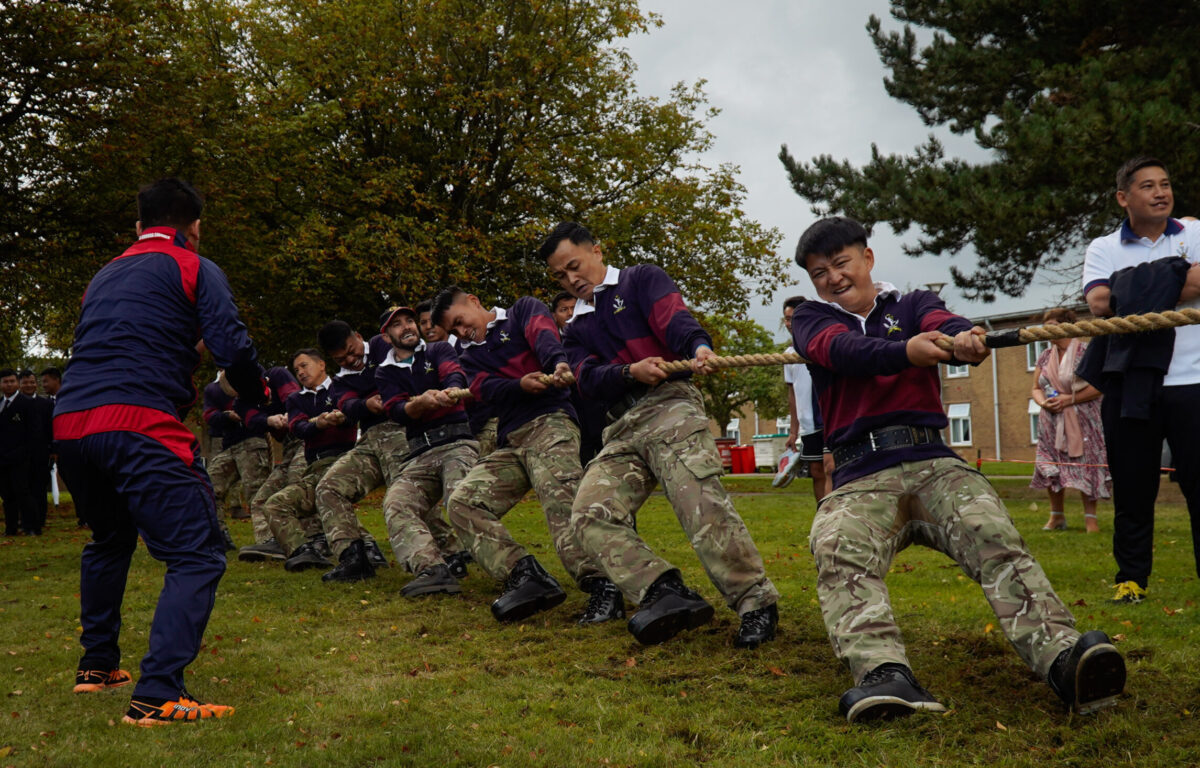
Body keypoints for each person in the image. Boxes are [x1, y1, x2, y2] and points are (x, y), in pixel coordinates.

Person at [791, 215, 1125, 723]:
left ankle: (1063, 661)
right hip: (860, 475)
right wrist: (907, 351)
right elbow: (841, 351)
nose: (833, 277)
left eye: (841, 263)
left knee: (991, 531)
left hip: (934, 463)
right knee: (836, 543)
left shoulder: (912, 304)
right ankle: (884, 675)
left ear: (868, 258)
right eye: (820, 272)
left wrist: (965, 337)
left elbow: (944, 322)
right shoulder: (811, 318)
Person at [53, 177, 264, 725]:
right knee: (198, 553)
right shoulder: (194, 265)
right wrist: (259, 394)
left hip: (71, 423)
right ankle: (158, 693)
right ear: (194, 227)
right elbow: (232, 347)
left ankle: (96, 666)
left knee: (109, 539)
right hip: (139, 420)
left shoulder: (104, 275)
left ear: (138, 225)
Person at [542, 222, 780, 648]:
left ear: (597, 250)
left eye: (574, 266)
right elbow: (588, 379)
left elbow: (675, 320)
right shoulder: (574, 327)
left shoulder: (640, 280)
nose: (571, 279)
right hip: (620, 426)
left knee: (700, 504)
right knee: (588, 513)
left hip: (670, 403)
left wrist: (698, 347)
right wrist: (628, 372)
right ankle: (663, 589)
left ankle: (755, 601)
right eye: (560, 276)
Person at [433, 286, 623, 625]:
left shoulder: (521, 312)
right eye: (453, 330)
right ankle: (525, 574)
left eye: (460, 321)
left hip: (551, 423)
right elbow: (483, 389)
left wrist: (558, 364)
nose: (461, 332)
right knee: (462, 502)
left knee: (562, 504)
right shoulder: (466, 355)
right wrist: (518, 385)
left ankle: (604, 586)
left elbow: (544, 337)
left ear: (474, 301)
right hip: (511, 440)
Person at [1081, 156, 1200, 604]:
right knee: (1132, 488)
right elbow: (1099, 303)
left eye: (1165, 184)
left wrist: (1129, 286)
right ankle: (1131, 580)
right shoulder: (1103, 247)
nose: (1160, 192)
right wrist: (1176, 274)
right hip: (1129, 384)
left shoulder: (1196, 234)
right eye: (1148, 185)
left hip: (1193, 381)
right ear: (1123, 197)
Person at [374, 305, 478, 594]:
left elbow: (454, 374)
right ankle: (432, 568)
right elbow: (396, 410)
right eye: (397, 324)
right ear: (386, 337)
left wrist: (450, 390)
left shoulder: (438, 349)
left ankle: (515, 567)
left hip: (457, 444)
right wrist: (418, 404)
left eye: (410, 321)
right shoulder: (384, 372)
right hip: (420, 454)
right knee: (396, 503)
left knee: (461, 502)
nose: (407, 326)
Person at [312, 320, 423, 581]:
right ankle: (353, 557)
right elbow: (347, 406)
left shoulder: (383, 345)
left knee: (407, 492)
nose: (351, 360)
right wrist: (365, 404)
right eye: (341, 359)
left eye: (352, 351)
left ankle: (447, 553)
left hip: (401, 430)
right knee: (328, 488)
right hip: (369, 440)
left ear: (359, 336)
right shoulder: (340, 381)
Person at [261, 349, 359, 572]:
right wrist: (319, 424)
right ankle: (303, 551)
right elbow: (298, 427)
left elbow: (352, 413)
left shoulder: (341, 387)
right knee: (275, 504)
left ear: (322, 364)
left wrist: (339, 418)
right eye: (296, 370)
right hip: (314, 467)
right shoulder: (296, 399)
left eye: (304, 366)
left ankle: (366, 547)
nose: (300, 373)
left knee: (330, 497)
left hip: (343, 461)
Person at [1029, 308, 1110, 533]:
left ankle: (1090, 520)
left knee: (1088, 465)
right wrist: (1044, 403)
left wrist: (1069, 399)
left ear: (1068, 326)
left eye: (1053, 326)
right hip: (1051, 419)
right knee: (1051, 466)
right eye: (1045, 328)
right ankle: (1056, 516)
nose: (1047, 332)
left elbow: (1100, 385)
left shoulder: (1086, 352)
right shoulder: (1045, 356)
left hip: (1083, 418)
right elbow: (1036, 387)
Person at [235, 365, 304, 558]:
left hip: (305, 438)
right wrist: (269, 421)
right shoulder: (240, 402)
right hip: (288, 446)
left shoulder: (277, 375)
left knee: (297, 485)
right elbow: (252, 421)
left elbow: (294, 398)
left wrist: (291, 415)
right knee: (260, 500)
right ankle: (271, 544)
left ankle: (314, 541)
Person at [781, 297, 829, 501]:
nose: (789, 323)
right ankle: (822, 514)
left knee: (832, 468)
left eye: (794, 318)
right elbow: (792, 394)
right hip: (808, 425)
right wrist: (793, 431)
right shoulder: (788, 354)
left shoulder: (822, 344)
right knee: (816, 471)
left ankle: (837, 514)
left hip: (829, 419)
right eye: (786, 319)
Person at [551, 290, 606, 465]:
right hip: (573, 418)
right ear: (554, 316)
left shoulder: (594, 334)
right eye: (563, 309)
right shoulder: (549, 348)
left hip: (602, 410)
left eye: (573, 308)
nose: (569, 313)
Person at [0, 368, 35, 536]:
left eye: (12, 381)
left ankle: (30, 527)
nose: (9, 384)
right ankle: (11, 528)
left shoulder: (26, 403)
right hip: (2, 458)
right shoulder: (1, 404)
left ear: (17, 383)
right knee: (7, 495)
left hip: (21, 457)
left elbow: (33, 432)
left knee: (23, 492)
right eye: (5, 382)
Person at [19, 369, 52, 534]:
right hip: (20, 453)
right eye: (25, 383)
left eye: (32, 382)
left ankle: (40, 519)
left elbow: (50, 429)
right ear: (20, 385)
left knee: (40, 487)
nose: (29, 385)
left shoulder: (46, 404)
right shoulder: (14, 404)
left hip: (41, 452)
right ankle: (25, 520)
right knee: (23, 488)